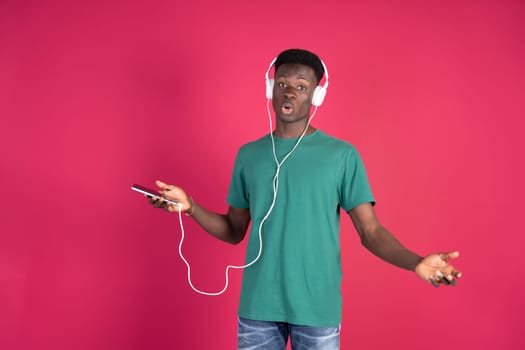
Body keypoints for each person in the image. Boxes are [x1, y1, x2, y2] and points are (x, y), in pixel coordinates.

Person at [146, 49, 462, 350]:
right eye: (282, 83)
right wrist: (190, 207)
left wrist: (416, 262)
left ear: (316, 95)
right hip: (258, 308)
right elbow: (233, 230)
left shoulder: (341, 155)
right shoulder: (249, 155)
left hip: (317, 310)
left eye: (301, 86)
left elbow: (371, 232)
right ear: (271, 88)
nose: (290, 92)